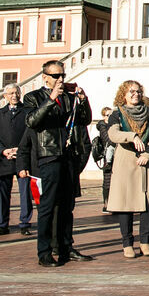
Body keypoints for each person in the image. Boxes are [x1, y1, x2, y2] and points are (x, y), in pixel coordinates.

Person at [22, 60, 92, 267]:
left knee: (67, 206)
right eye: (55, 76)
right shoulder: (33, 97)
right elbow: (32, 121)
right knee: (48, 206)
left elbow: (84, 120)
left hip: (68, 156)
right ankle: (44, 251)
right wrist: (51, 99)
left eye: (62, 75)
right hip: (49, 155)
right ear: (45, 77)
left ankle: (65, 247)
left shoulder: (68, 98)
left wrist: (83, 100)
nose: (60, 80)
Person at [107, 81, 149, 258]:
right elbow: (113, 134)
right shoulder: (117, 113)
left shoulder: (148, 111)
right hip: (126, 162)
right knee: (125, 205)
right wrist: (132, 136)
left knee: (148, 204)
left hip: (147, 161)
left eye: (139, 91)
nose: (136, 94)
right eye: (131, 91)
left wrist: (148, 153)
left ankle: (145, 242)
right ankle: (127, 243)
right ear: (123, 94)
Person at [0, 84, 32, 235]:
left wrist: (21, 149)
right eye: (11, 93)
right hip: (4, 159)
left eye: (17, 92)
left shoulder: (27, 112)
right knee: (3, 193)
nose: (14, 96)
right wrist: (3, 151)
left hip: (22, 158)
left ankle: (25, 223)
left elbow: (30, 133)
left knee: (25, 192)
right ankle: (2, 224)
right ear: (5, 96)